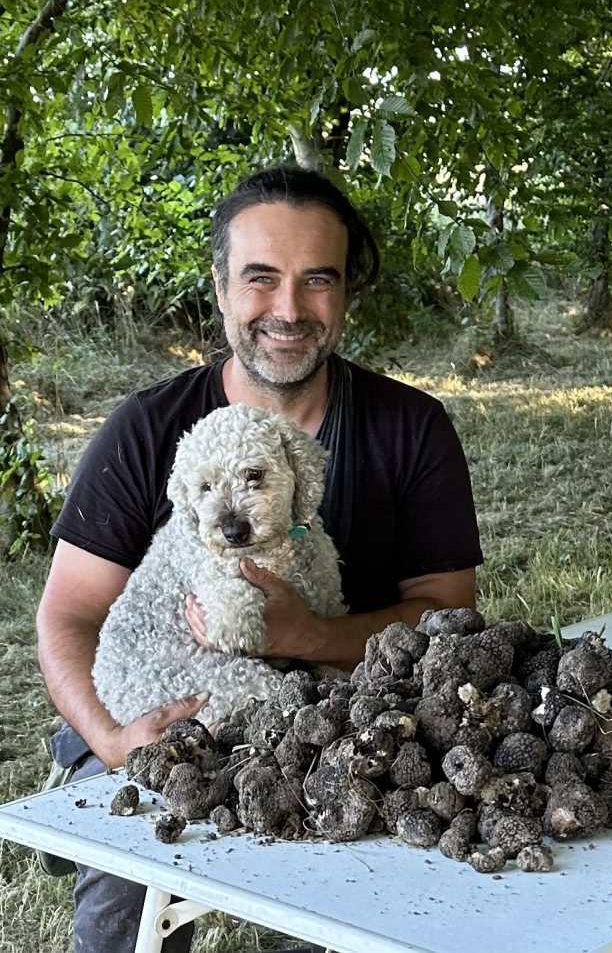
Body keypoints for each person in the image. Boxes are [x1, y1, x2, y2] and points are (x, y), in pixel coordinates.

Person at [36, 166, 484, 953]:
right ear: (220, 287)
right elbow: (69, 613)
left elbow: (449, 615)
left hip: (341, 711)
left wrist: (310, 637)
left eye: (318, 280)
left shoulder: (412, 429)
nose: (288, 309)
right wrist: (112, 740)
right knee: (123, 888)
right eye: (261, 279)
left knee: (382, 879)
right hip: (154, 715)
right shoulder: (148, 429)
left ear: (344, 294)